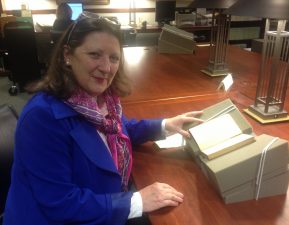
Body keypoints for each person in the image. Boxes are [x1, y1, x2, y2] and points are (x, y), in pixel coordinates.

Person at [3, 11, 203, 225]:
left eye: (114, 58)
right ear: (67, 55)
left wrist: (165, 126)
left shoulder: (102, 100)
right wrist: (136, 201)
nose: (107, 68)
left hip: (100, 205)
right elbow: (60, 204)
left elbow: (119, 129)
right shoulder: (42, 117)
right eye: (95, 55)